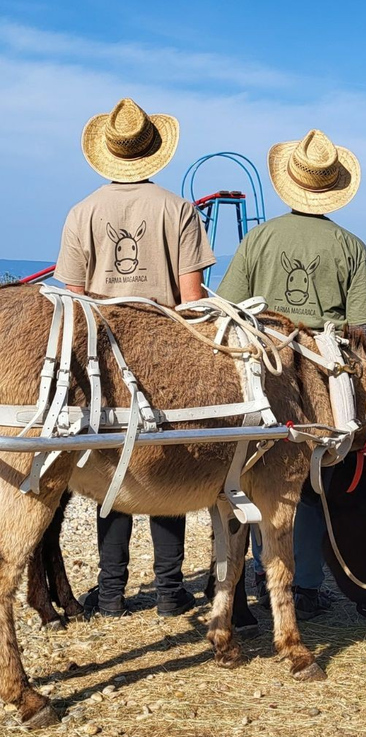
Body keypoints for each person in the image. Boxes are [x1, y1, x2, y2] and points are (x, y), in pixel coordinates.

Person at [54, 98, 216, 618]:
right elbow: (192, 302)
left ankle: (109, 593)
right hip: (168, 351)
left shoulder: (81, 212)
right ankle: (170, 592)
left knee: (112, 465)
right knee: (168, 462)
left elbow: (71, 299)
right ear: (153, 152)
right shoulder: (179, 210)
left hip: (102, 351)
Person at [217, 129, 366, 619]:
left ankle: (251, 578)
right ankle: (304, 586)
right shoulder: (350, 245)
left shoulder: (260, 237)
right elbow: (364, 332)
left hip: (257, 363)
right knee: (309, 483)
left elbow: (225, 309)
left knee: (246, 473)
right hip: (320, 373)